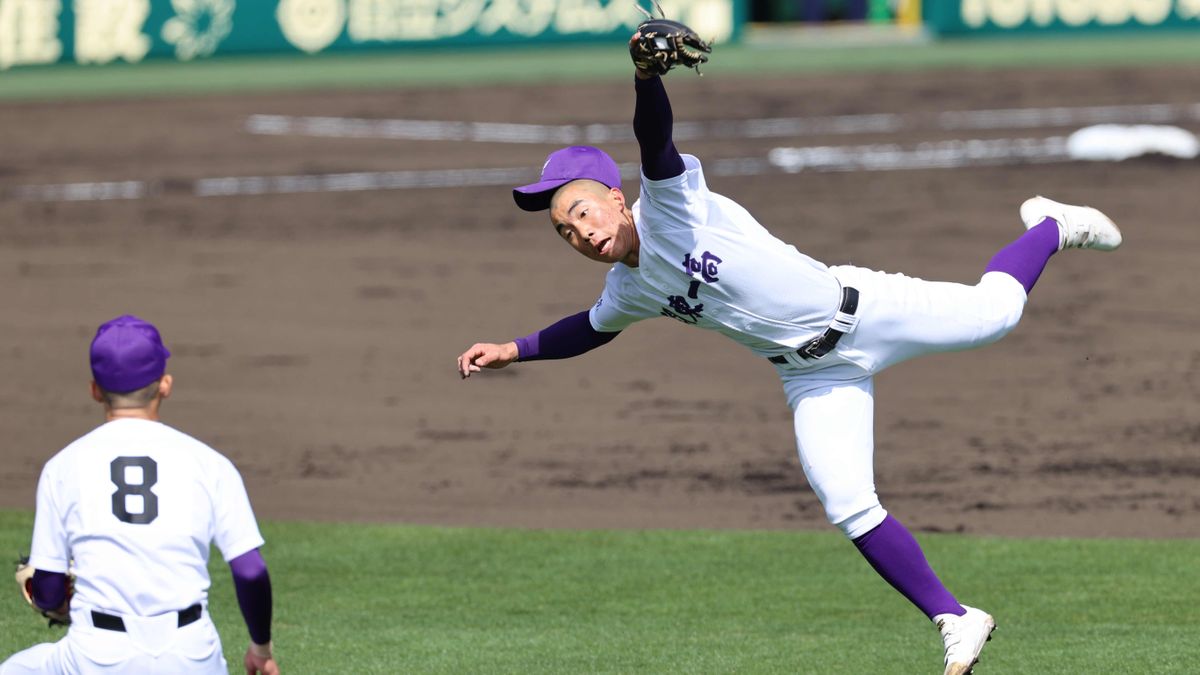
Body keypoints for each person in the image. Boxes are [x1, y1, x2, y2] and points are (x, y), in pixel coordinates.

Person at [455, 31, 1122, 675]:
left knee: (996, 314)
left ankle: (1052, 225)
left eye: (582, 212)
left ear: (612, 197)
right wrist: (514, 349)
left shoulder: (670, 204)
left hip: (863, 311)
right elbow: (590, 328)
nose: (579, 231)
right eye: (565, 230)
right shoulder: (630, 287)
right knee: (848, 501)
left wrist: (646, 75)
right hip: (813, 377)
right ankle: (955, 615)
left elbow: (653, 140)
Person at [2, 315, 279, 675]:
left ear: (95, 390)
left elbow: (50, 589)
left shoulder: (62, 466)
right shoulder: (211, 464)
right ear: (165, 385)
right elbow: (251, 571)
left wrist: (50, 598)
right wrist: (261, 648)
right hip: (191, 655)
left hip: (98, 655)